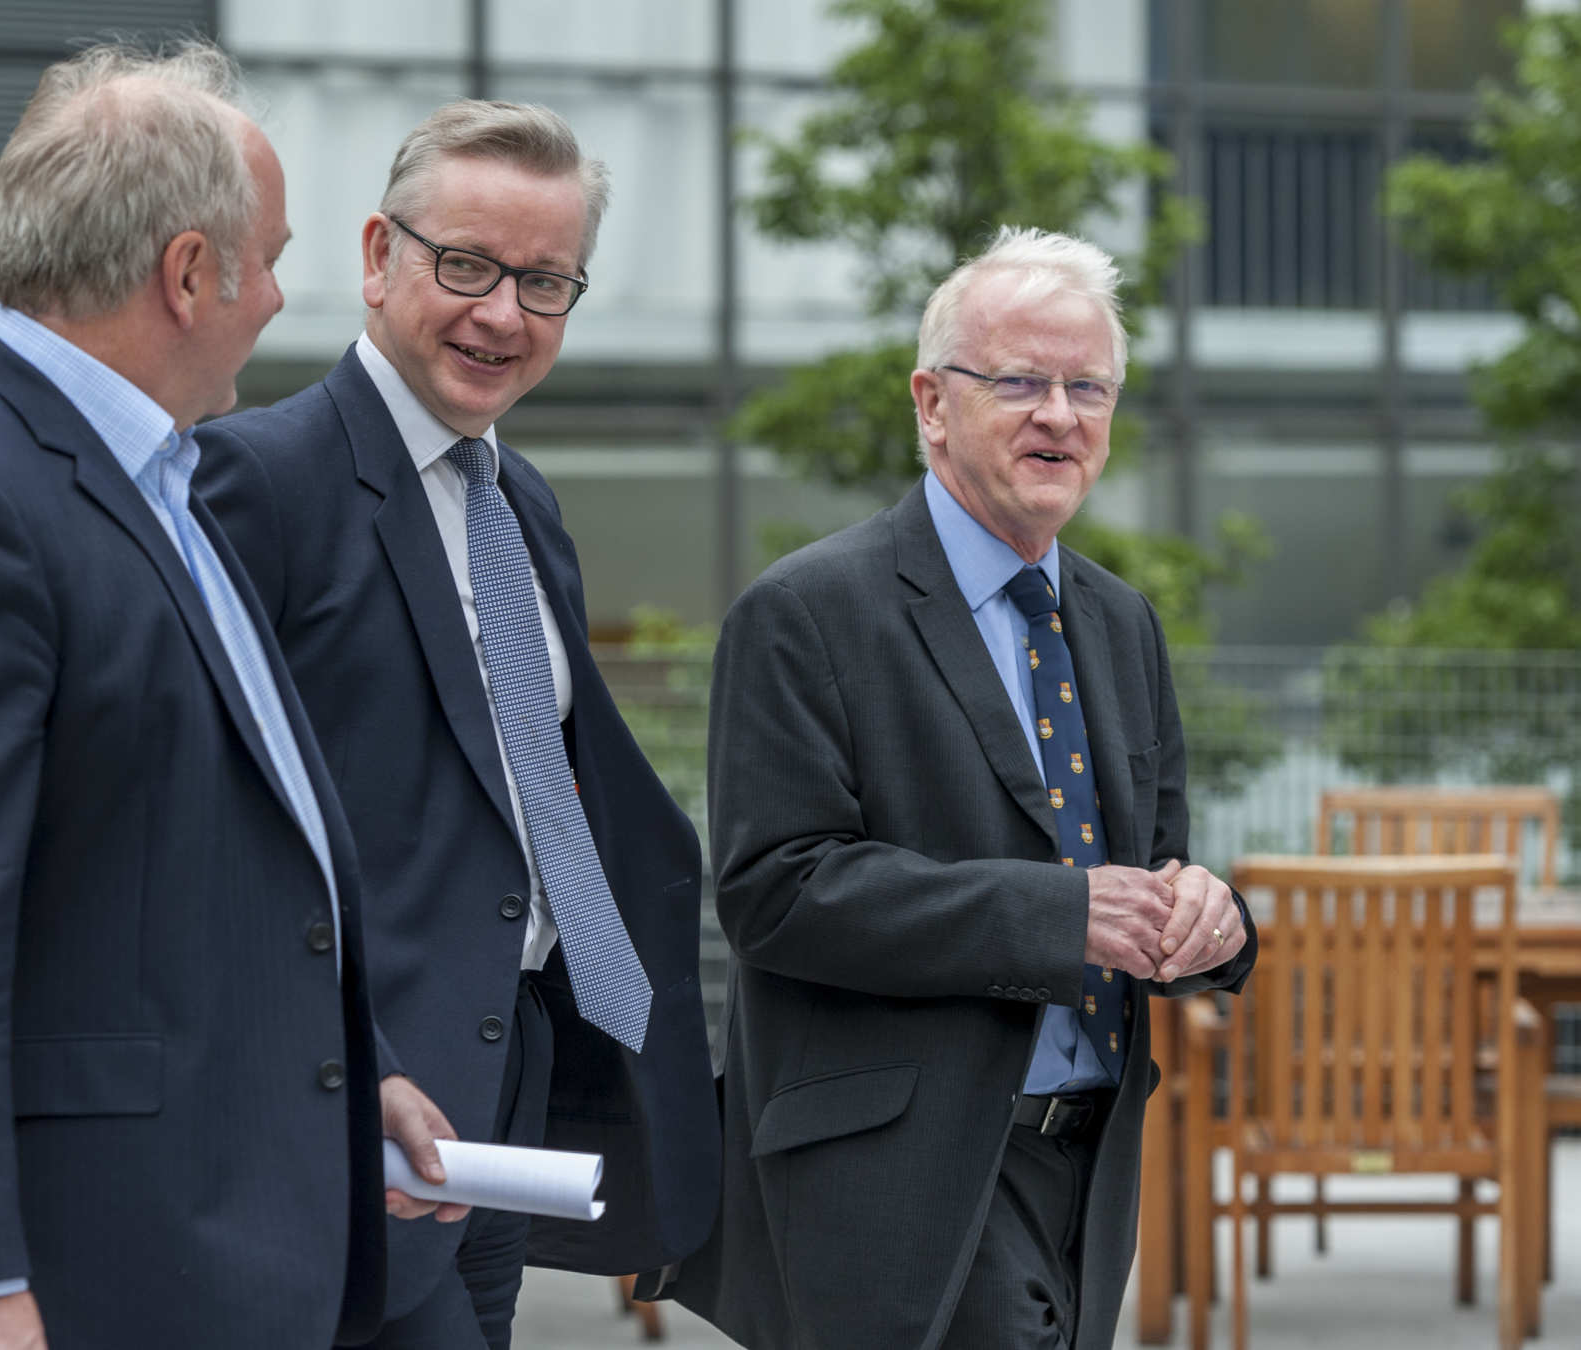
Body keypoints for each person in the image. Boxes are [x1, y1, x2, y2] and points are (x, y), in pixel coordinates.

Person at [0, 41, 461, 1350]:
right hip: (60, 1275)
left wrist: (348, 1070)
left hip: (192, 1245)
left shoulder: (156, 480)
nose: (279, 297)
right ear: (188, 273)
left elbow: (192, 859)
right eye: (265, 256)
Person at [659, 226, 1257, 1349]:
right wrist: (1059, 914)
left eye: (1087, 386)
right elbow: (772, 891)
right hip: (895, 1179)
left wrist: (1210, 923)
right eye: (1020, 381)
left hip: (1087, 1173)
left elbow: (1151, 871)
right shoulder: (804, 613)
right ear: (931, 403)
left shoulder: (1121, 624)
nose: (1058, 415)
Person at [195, 100, 719, 1350]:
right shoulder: (255, 481)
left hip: (509, 1083)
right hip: (343, 1107)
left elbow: (534, 785)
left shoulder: (520, 499)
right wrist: (348, 1065)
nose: (501, 315)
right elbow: (217, 831)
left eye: (544, 282)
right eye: (466, 265)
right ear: (378, 256)